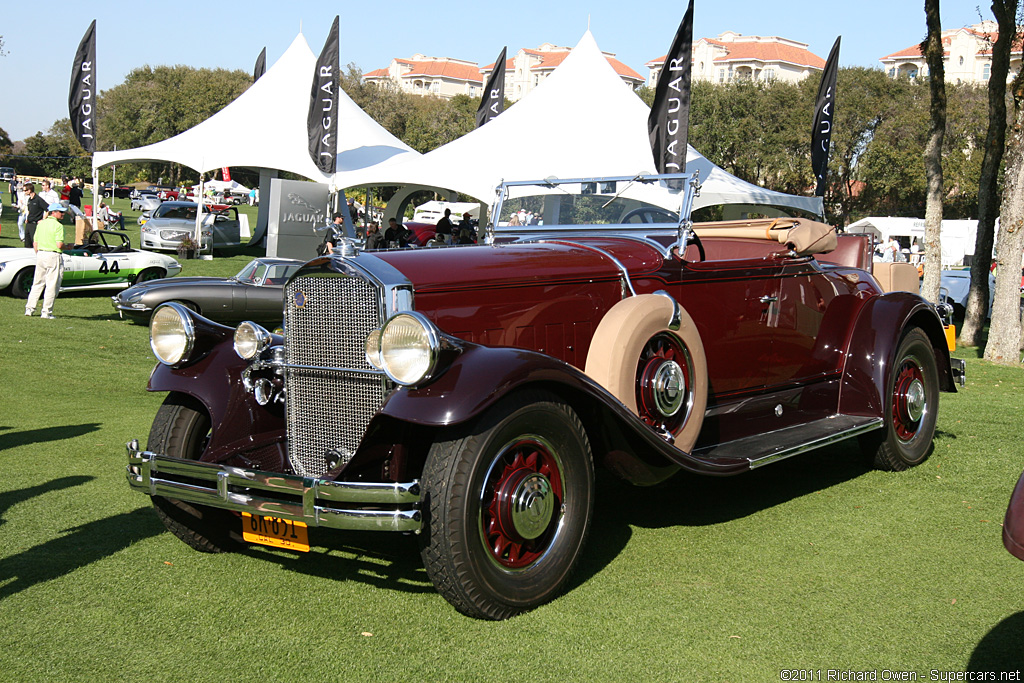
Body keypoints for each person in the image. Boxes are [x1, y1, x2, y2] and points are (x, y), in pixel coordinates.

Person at [24, 203, 67, 319]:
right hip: (53, 255)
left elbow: (35, 243)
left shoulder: (41, 224)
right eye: (60, 212)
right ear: (54, 212)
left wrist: (39, 253)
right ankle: (46, 311)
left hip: (41, 254)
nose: (63, 214)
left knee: (37, 283)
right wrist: (68, 247)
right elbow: (59, 244)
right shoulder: (58, 226)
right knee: (51, 284)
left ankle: (29, 308)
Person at [21, 183, 50, 248]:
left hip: (35, 224)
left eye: (25, 190)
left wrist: (43, 219)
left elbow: (48, 209)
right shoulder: (29, 200)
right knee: (27, 243)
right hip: (28, 223)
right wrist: (27, 218)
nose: (24, 192)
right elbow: (29, 210)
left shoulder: (38, 199)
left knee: (34, 243)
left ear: (29, 190)